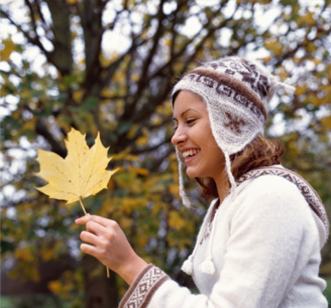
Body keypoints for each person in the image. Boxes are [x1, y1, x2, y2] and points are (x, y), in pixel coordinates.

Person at [76, 56, 329, 308]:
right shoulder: (227, 203)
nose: (176, 137)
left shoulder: (270, 196)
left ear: (232, 123)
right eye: (176, 124)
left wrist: (128, 264)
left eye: (190, 120)